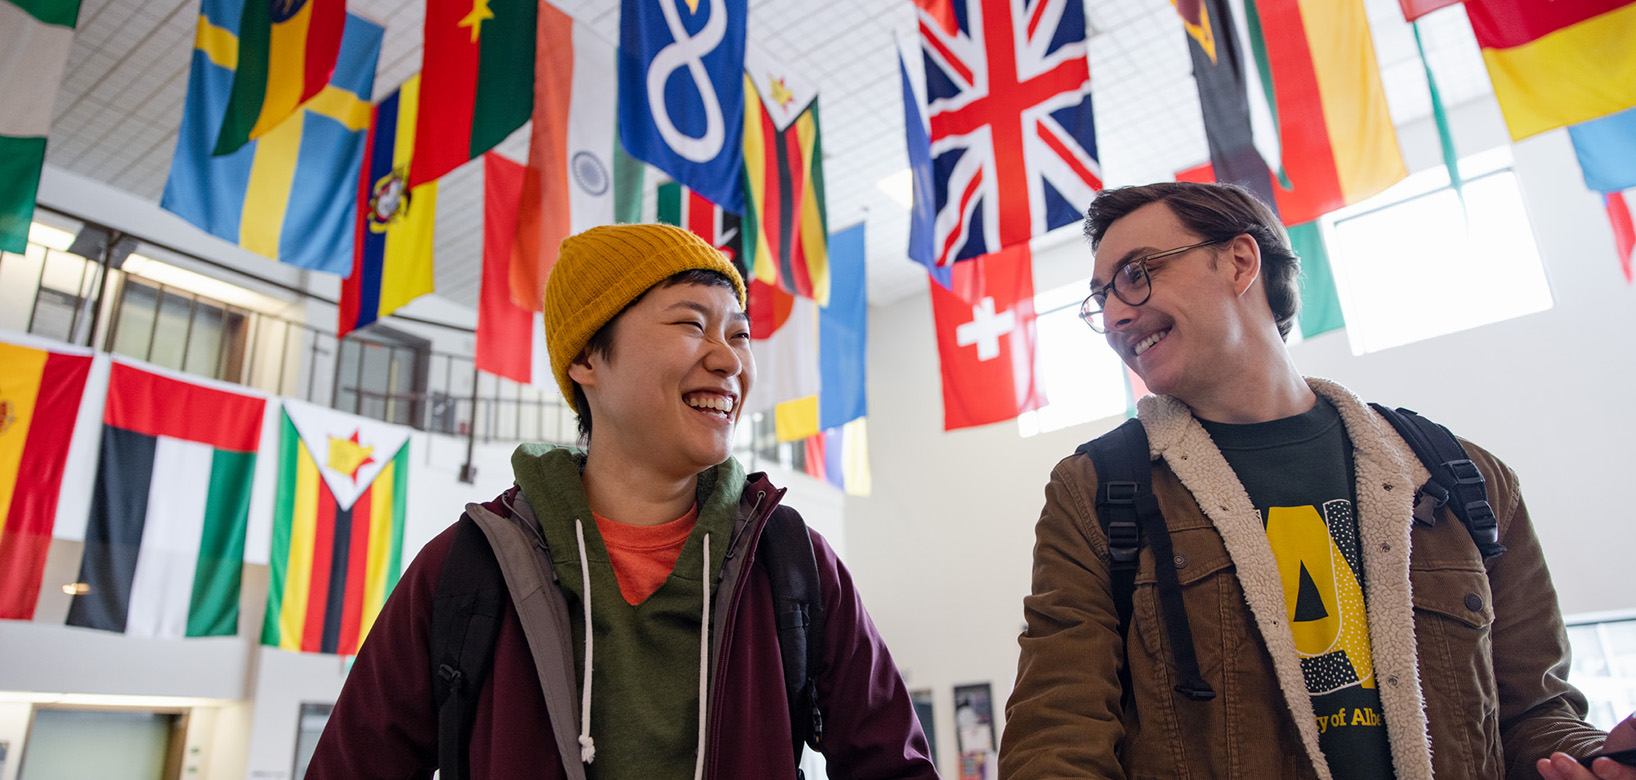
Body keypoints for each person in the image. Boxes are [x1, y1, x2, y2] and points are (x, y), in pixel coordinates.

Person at [997, 182, 1634, 780]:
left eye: (1136, 275)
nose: (1113, 315)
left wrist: (1596, 761)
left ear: (1240, 263)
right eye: (1100, 296)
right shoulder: (1094, 491)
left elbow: (1535, 715)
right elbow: (1057, 739)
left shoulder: (1464, 476)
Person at [306, 223, 938, 780]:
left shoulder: (792, 563)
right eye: (692, 323)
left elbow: (895, 767)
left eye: (739, 334)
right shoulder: (470, 569)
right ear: (586, 355)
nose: (729, 360)